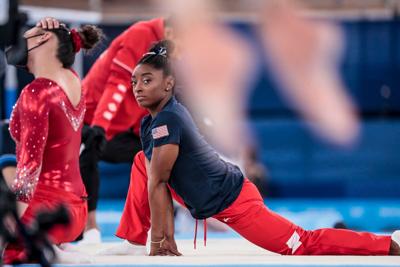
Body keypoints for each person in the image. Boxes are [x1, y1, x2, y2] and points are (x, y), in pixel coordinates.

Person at [108, 40, 400, 256]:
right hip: (208, 195)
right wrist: (157, 242)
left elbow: (160, 181)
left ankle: (388, 244)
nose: (138, 88)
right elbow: (155, 178)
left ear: (169, 84)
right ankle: (133, 240)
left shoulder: (169, 117)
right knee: (141, 162)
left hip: (235, 201)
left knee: (302, 243)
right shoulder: (152, 122)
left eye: (147, 80)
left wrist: (162, 243)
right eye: (134, 82)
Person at [2, 18, 102, 263]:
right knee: (6, 162)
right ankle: (53, 243)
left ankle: (39, 243)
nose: (19, 41)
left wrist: (9, 229)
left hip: (44, 214)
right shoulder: (72, 78)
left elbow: (28, 172)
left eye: (28, 34)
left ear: (44, 39)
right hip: (73, 214)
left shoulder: (36, 92)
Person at [74, 17, 176, 243]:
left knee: (162, 154)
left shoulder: (176, 49)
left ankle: (160, 220)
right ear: (168, 30)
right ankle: (89, 224)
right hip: (92, 115)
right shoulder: (140, 34)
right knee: (88, 152)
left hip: (127, 124)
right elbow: (119, 83)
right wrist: (100, 125)